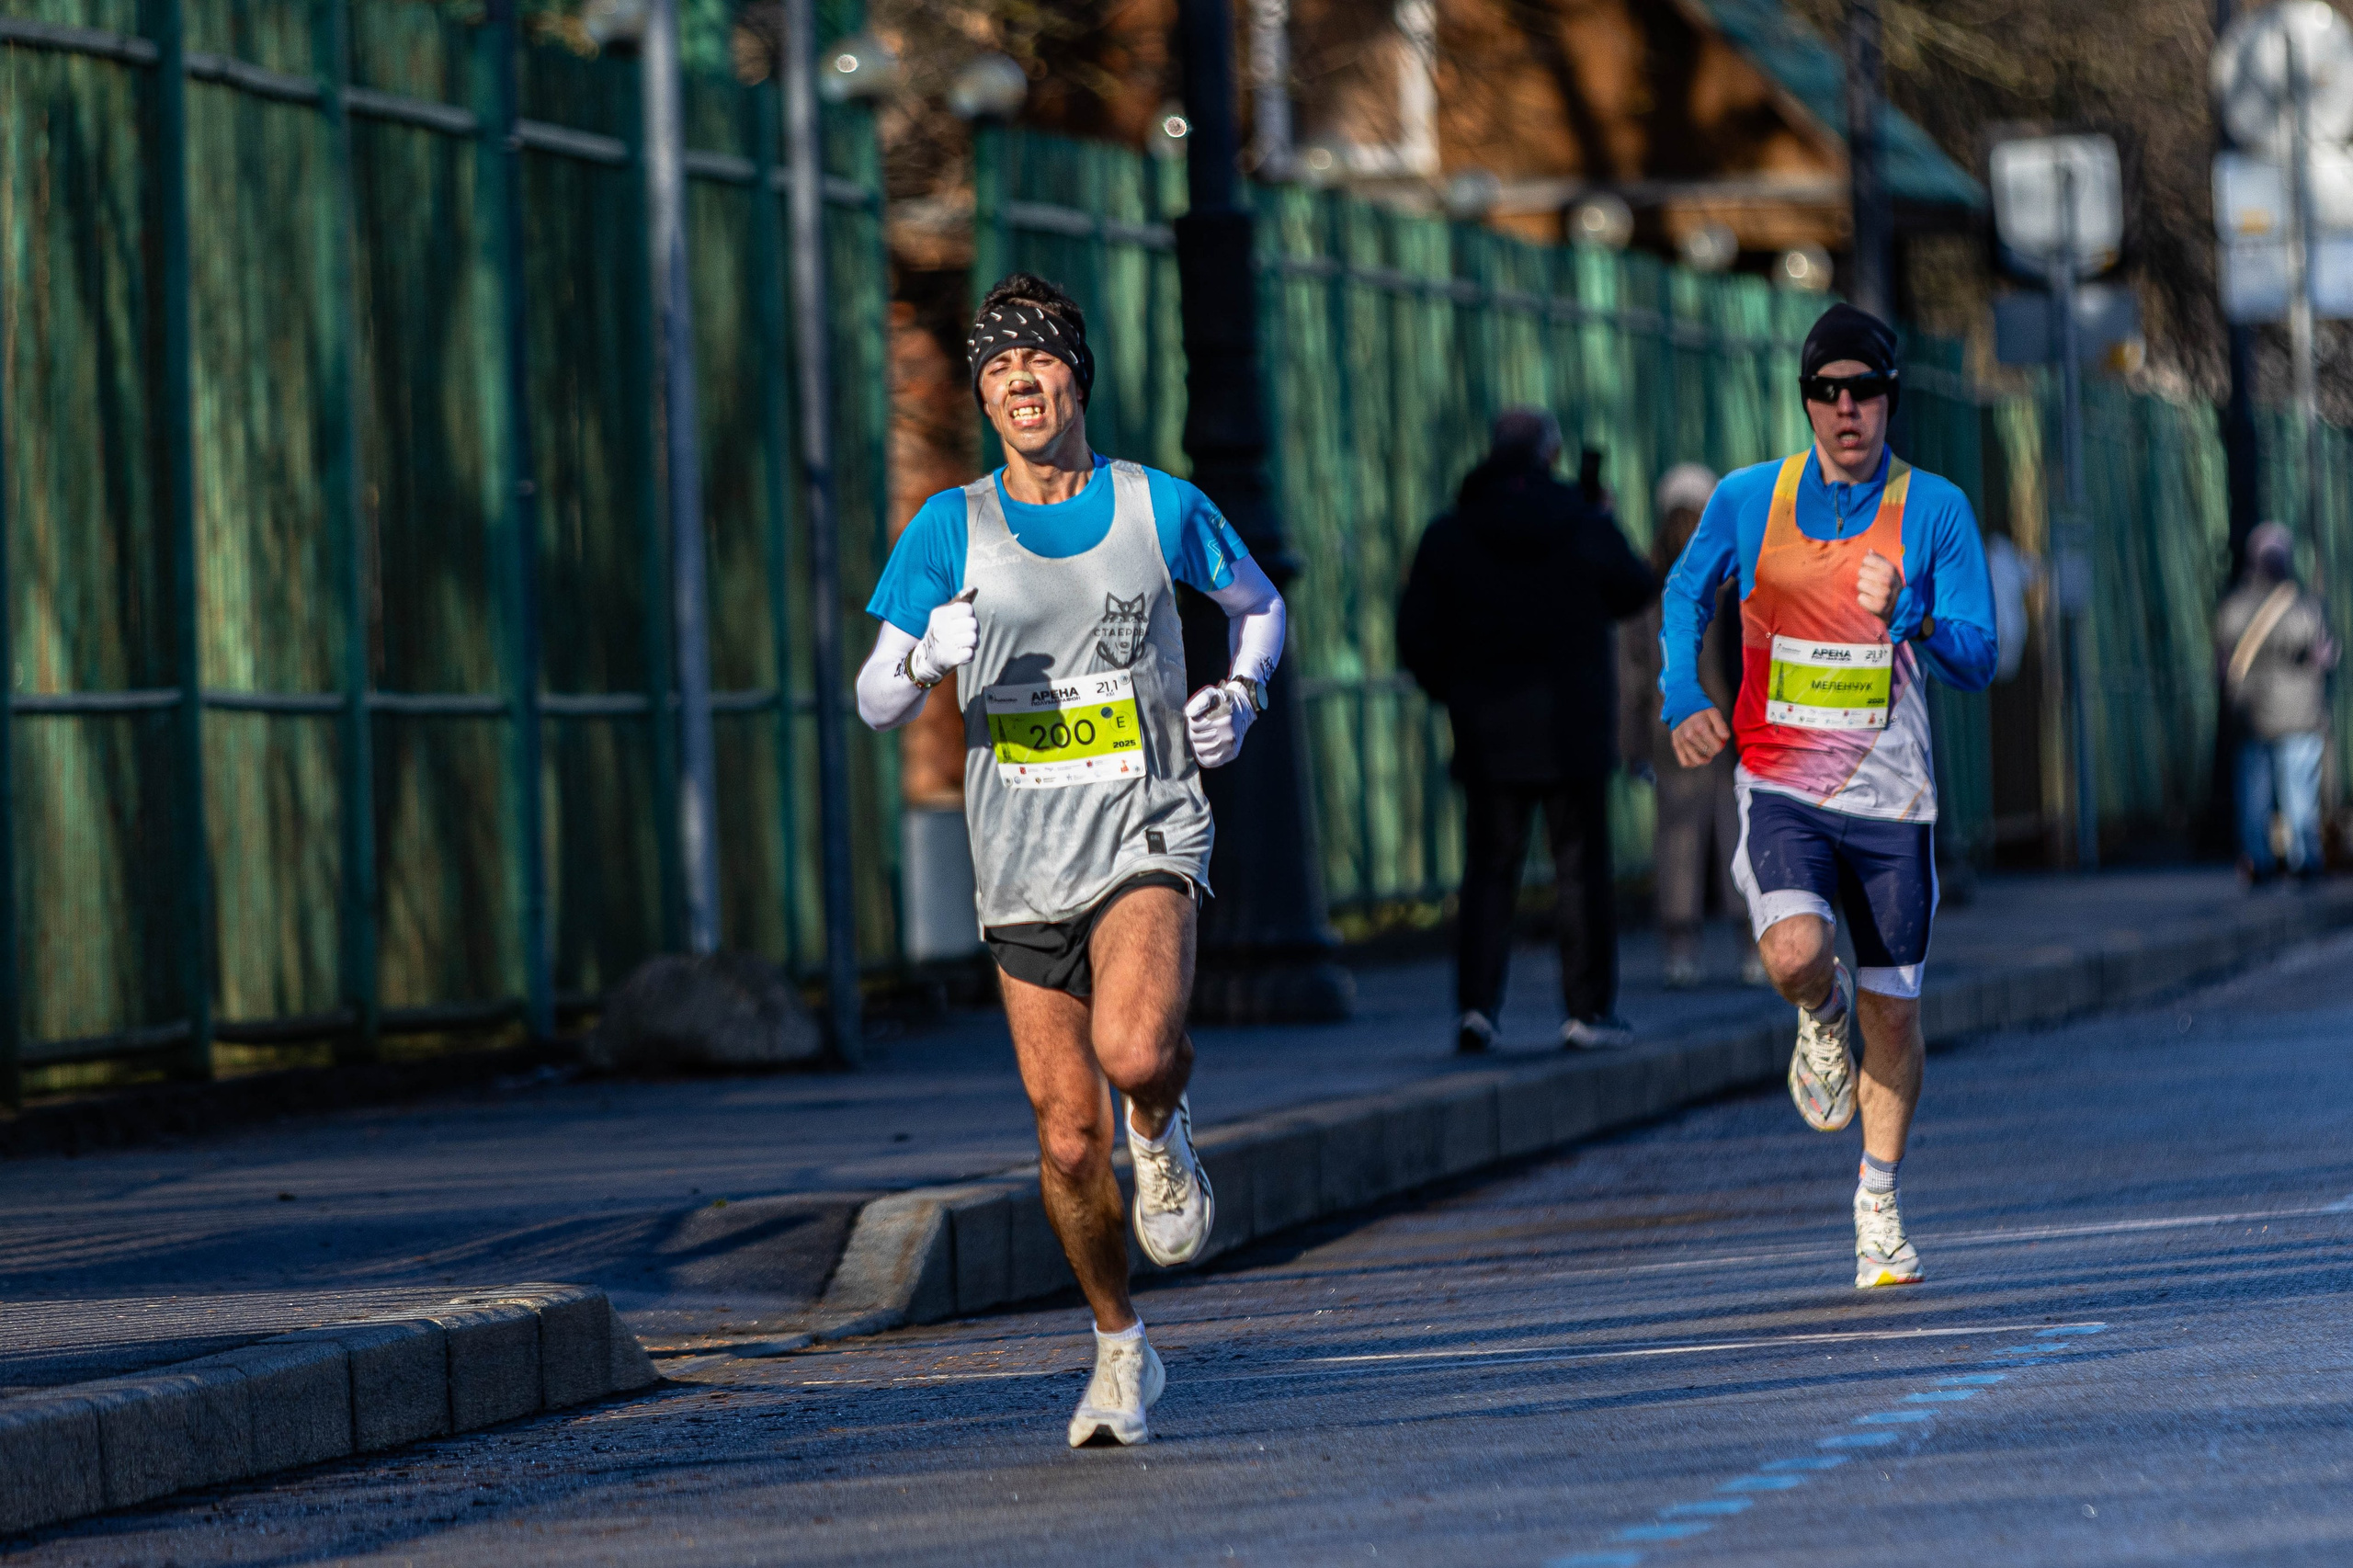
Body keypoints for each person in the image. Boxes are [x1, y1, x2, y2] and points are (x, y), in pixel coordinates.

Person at [855, 273, 1286, 1447]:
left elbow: (1259, 604)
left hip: (1145, 824)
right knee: (1061, 1137)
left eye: (1035, 361)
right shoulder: (953, 524)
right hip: (1021, 860)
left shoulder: (1157, 506)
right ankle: (1116, 1346)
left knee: (1135, 1047)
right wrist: (921, 657)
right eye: (995, 370)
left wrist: (1238, 695)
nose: (1017, 383)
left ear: (1074, 376)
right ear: (985, 399)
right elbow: (873, 699)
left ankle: (1163, 1123)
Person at [1659, 302, 1996, 1290]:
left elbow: (1982, 656)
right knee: (1797, 950)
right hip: (1782, 787)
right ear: (1805, 401)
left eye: (1864, 391)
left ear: (1890, 400)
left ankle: (1879, 1199)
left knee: (1895, 1017)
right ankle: (1817, 1010)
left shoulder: (1932, 509)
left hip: (1893, 803)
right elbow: (1685, 593)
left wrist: (1917, 614)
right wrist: (1685, 691)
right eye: (1826, 391)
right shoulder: (1745, 499)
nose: (1845, 408)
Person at [1398, 408, 1658, 1055]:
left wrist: (1455, 692)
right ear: (1551, 454)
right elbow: (1633, 588)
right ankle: (1588, 1010)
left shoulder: (1450, 533)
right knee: (1580, 872)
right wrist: (1603, 514)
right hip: (1572, 730)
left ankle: (1477, 1009)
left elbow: (1418, 635)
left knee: (1488, 872)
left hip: (1487, 733)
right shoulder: (1580, 522)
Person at [1619, 462, 1765, 989]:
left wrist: (1630, 742)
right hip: (1730, 724)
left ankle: (1680, 951)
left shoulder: (1648, 584)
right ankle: (1751, 947)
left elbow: (1631, 672)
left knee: (1677, 839)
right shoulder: (1731, 574)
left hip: (1671, 729)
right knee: (1738, 835)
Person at [2215, 520, 2336, 886]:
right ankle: (2304, 861)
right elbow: (2321, 653)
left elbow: (2223, 663)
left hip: (2251, 717)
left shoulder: (2234, 608)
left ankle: (2259, 862)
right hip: (2298, 716)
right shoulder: (2305, 608)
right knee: (2299, 794)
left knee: (2255, 800)